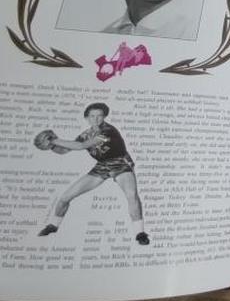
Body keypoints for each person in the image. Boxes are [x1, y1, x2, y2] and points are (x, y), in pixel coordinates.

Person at [37, 103, 149, 245]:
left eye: (99, 116)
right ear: (86, 118)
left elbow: (81, 146)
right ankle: (53, 225)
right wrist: (52, 146)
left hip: (120, 164)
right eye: (92, 116)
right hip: (102, 166)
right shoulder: (86, 134)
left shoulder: (108, 131)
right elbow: (64, 150)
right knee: (65, 198)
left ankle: (140, 233)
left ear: (104, 117)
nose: (96, 119)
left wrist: (54, 140)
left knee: (132, 195)